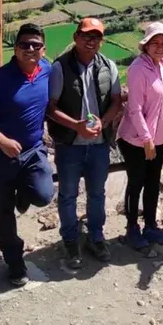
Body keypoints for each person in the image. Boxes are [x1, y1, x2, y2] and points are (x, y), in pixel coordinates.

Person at [0, 23, 55, 286]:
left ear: (43, 49)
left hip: (32, 151)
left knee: (43, 195)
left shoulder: (47, 71)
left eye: (35, 45)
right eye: (24, 45)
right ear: (15, 49)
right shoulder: (1, 78)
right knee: (3, 212)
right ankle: (15, 264)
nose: (30, 49)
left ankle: (23, 194)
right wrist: (3, 141)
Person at [46, 17, 123, 268]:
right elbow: (51, 108)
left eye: (97, 37)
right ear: (76, 37)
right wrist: (75, 125)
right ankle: (70, 241)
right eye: (87, 36)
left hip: (99, 144)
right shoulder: (60, 68)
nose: (91, 41)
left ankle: (96, 237)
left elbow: (116, 101)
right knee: (68, 194)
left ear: (102, 41)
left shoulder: (108, 66)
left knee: (97, 194)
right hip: (69, 144)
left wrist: (104, 121)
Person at [117, 22, 163, 249]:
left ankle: (150, 226)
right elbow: (134, 108)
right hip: (136, 139)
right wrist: (146, 139)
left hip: (158, 137)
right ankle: (132, 228)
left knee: (153, 183)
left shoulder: (162, 64)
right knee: (137, 183)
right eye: (155, 43)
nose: (160, 47)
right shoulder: (137, 68)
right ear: (146, 45)